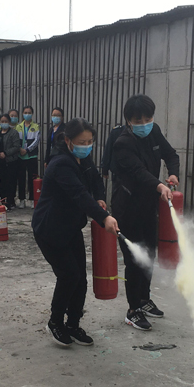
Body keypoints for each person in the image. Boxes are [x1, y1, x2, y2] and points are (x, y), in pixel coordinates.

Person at [32, 117, 119, 347]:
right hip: (50, 229)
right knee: (69, 275)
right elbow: (79, 194)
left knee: (80, 278)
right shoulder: (61, 164)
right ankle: (55, 322)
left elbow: (95, 180)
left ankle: (73, 324)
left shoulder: (83, 158)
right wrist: (103, 217)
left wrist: (100, 197)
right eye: (82, 142)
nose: (87, 146)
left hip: (71, 227)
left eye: (90, 142)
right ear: (68, 140)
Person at [111, 94, 180, 331]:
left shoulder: (154, 131)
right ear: (128, 121)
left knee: (149, 254)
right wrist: (160, 186)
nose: (144, 124)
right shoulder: (122, 143)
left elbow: (171, 154)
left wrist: (173, 173)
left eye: (148, 119)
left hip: (149, 205)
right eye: (138, 120)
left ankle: (144, 298)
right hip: (127, 208)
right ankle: (133, 310)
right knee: (134, 259)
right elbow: (139, 172)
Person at [16, 105, 40, 208]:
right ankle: (21, 199)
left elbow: (36, 140)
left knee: (32, 178)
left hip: (31, 156)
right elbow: (16, 140)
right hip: (20, 156)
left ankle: (32, 199)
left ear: (32, 114)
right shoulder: (18, 126)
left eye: (29, 113)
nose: (27, 114)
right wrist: (19, 149)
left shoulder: (36, 126)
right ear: (22, 114)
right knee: (21, 178)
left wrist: (27, 150)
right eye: (25, 112)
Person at [0, 113, 21, 210]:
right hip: (1, 161)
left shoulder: (13, 133)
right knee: (2, 181)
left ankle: (11, 201)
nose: (4, 123)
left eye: (6, 121)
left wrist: (6, 153)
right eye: (2, 121)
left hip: (11, 161)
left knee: (11, 181)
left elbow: (16, 146)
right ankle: (3, 199)